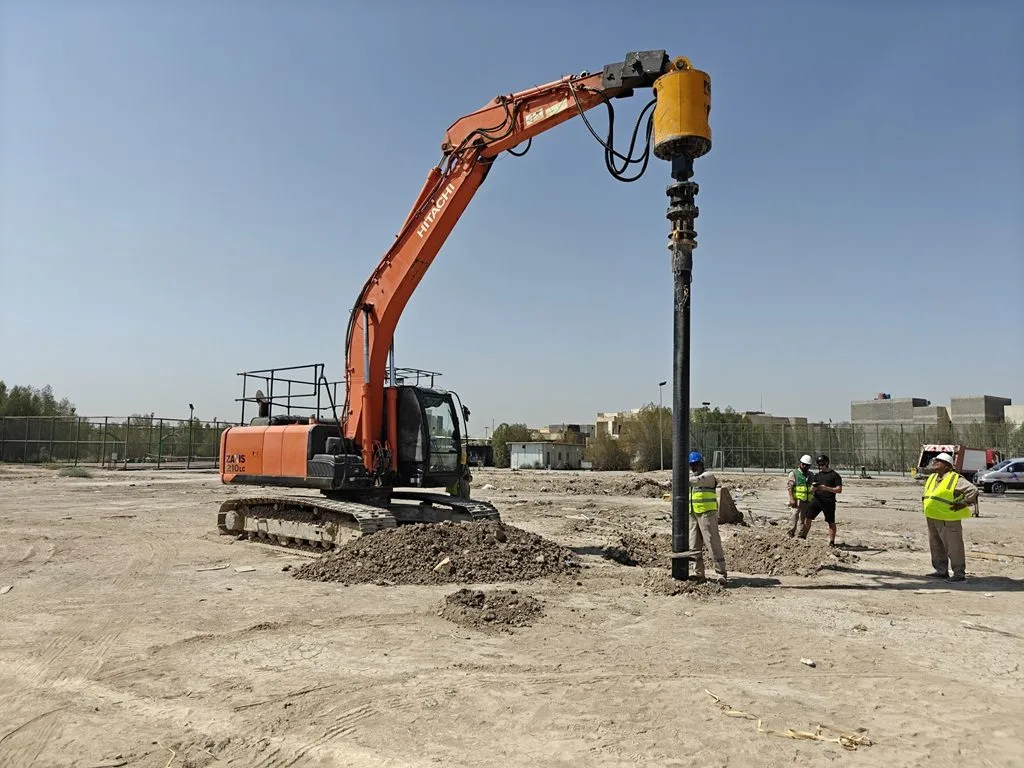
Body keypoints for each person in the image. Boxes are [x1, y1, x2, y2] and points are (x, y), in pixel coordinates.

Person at [922, 452, 978, 582]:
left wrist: (964, 503)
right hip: (932, 516)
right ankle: (941, 571)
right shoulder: (932, 478)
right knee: (936, 546)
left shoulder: (954, 478)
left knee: (954, 547)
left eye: (939, 461)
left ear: (947, 466)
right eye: (934, 460)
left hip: (949, 519)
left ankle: (959, 574)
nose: (934, 462)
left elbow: (973, 490)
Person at [688, 450, 728, 583]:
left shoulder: (708, 476)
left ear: (701, 464)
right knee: (694, 546)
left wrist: (679, 478)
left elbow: (696, 481)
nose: (693, 467)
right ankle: (699, 574)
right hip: (693, 515)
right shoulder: (690, 477)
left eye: (696, 464)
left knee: (713, 544)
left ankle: (721, 573)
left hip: (707, 515)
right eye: (691, 465)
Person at [798, 454, 842, 546]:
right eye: (819, 465)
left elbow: (839, 490)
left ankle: (832, 542)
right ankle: (803, 536)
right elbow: (811, 489)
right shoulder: (817, 475)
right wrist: (813, 489)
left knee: (831, 522)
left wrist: (826, 488)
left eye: (822, 465)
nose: (821, 467)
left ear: (827, 463)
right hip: (817, 500)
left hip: (829, 502)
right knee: (808, 518)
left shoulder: (835, 475)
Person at [786, 454, 815, 537]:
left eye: (807, 465)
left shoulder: (811, 475)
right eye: (803, 464)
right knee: (794, 517)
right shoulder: (794, 473)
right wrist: (792, 499)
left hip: (807, 501)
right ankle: (790, 534)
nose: (805, 466)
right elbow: (790, 487)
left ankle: (801, 536)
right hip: (797, 500)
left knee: (804, 519)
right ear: (800, 464)